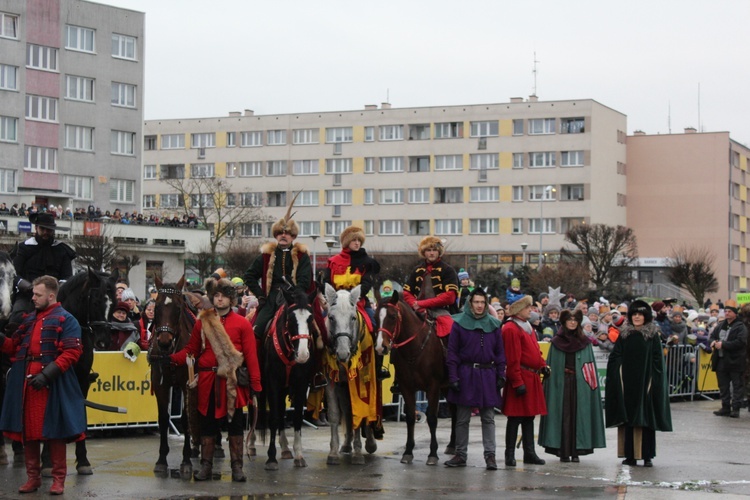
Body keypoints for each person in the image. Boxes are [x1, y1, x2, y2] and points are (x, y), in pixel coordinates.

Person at [165, 276, 261, 482]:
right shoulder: (203, 321)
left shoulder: (242, 324)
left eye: (224, 296)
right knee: (207, 425)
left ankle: (237, 467)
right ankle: (206, 466)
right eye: (216, 295)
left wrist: (255, 384)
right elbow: (191, 350)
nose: (219, 300)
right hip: (208, 380)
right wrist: (171, 359)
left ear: (232, 299)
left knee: (235, 425)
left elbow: (251, 356)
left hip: (232, 381)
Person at [0, 276, 86, 494]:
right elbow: (13, 347)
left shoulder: (67, 320)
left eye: (38, 295)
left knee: (55, 433)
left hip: (52, 385)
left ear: (51, 295)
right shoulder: (28, 320)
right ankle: (33, 478)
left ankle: (58, 480)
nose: (33, 298)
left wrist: (47, 375)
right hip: (26, 385)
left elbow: (72, 352)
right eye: (33, 294)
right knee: (27, 432)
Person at [605, 300, 672, 467]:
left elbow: (657, 360)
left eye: (640, 314)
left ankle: (647, 455)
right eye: (634, 314)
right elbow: (616, 355)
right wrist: (618, 372)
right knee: (627, 417)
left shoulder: (652, 336)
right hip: (627, 382)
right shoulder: (625, 334)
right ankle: (630, 455)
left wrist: (653, 380)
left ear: (646, 317)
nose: (637, 317)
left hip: (645, 382)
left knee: (645, 417)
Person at [445, 289, 506, 470]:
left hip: (487, 374)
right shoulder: (459, 324)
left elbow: (500, 353)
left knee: (488, 418)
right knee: (462, 419)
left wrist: (501, 374)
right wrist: (453, 376)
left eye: (482, 302)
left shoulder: (494, 325)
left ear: (486, 305)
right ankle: (460, 454)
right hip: (465, 374)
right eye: (476, 302)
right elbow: (452, 353)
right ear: (470, 304)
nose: (479, 305)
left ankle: (490, 456)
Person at [538, 309, 606, 462]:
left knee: (578, 416)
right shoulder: (556, 342)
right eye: (569, 319)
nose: (573, 322)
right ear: (564, 322)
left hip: (579, 385)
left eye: (575, 320)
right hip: (561, 385)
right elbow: (552, 367)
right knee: (563, 416)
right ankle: (562, 450)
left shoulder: (584, 342)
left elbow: (589, 367)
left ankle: (576, 450)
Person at [243, 198, 313, 339]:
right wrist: (261, 295)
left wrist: (297, 293)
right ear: (276, 235)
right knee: (255, 331)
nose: (283, 235)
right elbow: (249, 276)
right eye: (280, 233)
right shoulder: (266, 256)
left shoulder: (301, 255)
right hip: (271, 300)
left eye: (287, 233)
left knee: (315, 331)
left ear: (293, 236)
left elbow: (305, 279)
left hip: (294, 299)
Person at [501, 295, 548, 467]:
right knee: (515, 419)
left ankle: (529, 453)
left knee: (529, 418)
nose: (531, 310)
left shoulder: (528, 327)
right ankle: (510, 454)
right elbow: (512, 358)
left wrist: (542, 365)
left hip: (531, 376)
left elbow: (536, 351)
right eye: (528, 307)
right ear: (519, 310)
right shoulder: (511, 329)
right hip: (521, 376)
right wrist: (517, 381)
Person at [9, 213, 76, 327]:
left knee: (73, 319)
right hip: (27, 295)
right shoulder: (23, 248)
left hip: (54, 297)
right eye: (42, 229)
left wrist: (55, 290)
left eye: (49, 230)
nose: (46, 232)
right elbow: (14, 274)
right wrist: (28, 287)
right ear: (36, 228)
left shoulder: (62, 250)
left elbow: (67, 277)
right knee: (15, 319)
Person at [403, 236, 459, 338]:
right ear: (424, 252)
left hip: (440, 310)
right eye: (429, 250)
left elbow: (450, 297)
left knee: (452, 332)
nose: (432, 253)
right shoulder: (417, 270)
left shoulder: (448, 270)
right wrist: (415, 305)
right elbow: (407, 293)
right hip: (416, 311)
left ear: (439, 252)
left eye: (434, 250)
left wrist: (422, 304)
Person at [709, 299, 748, 418]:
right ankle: (725, 407)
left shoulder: (740, 327)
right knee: (723, 386)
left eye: (729, 311)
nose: (727, 313)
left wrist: (724, 345)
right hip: (721, 360)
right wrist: (713, 342)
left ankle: (735, 408)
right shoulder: (720, 325)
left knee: (737, 386)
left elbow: (741, 342)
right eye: (725, 311)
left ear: (735, 313)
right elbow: (712, 337)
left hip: (735, 361)